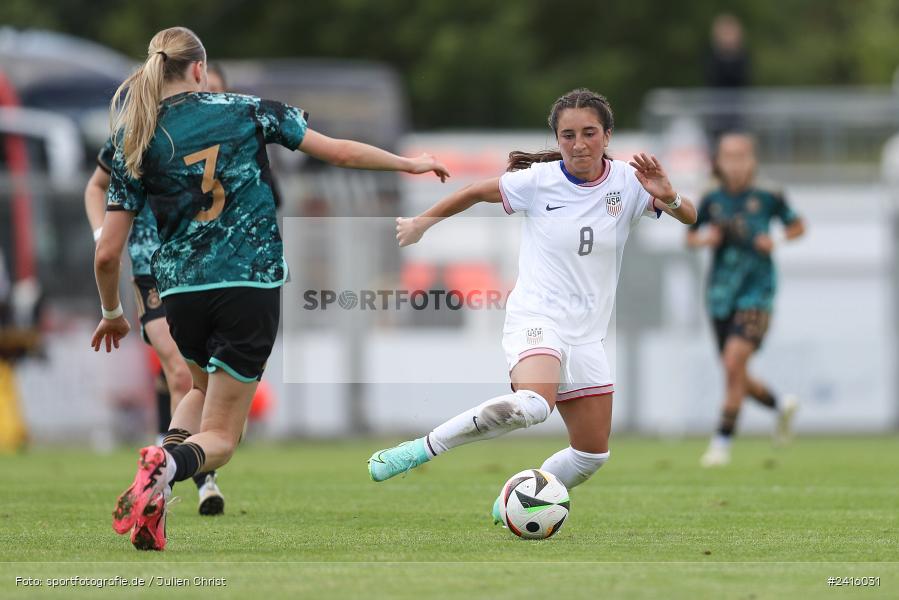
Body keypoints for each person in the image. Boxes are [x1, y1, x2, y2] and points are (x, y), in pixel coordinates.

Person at [91, 26, 449, 551]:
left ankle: (157, 478)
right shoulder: (245, 109)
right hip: (247, 283)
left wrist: (111, 311)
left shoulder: (135, 138)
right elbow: (341, 154)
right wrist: (408, 163)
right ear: (198, 70)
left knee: (197, 390)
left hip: (180, 293)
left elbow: (106, 252)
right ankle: (166, 463)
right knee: (222, 439)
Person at [366, 89, 697, 525]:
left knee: (591, 455)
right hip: (537, 317)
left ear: (607, 135)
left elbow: (690, 216)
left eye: (589, 133)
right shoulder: (538, 181)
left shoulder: (628, 182)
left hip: (587, 333)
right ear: (557, 139)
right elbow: (474, 192)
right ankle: (420, 449)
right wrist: (420, 224)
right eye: (568, 135)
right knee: (534, 405)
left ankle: (511, 500)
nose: (579, 144)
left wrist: (669, 196)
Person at [85, 97, 224, 518]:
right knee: (181, 371)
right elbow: (96, 185)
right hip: (151, 267)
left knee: (196, 378)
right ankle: (194, 480)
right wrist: (102, 235)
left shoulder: (219, 128)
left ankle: (163, 470)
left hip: (204, 268)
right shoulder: (135, 133)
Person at [686, 132, 805, 467]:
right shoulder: (710, 196)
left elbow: (798, 226)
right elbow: (690, 235)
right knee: (735, 369)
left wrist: (777, 239)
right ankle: (779, 406)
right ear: (719, 160)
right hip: (720, 295)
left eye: (741, 156)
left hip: (757, 292)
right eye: (728, 156)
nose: (735, 163)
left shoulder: (769, 194)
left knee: (734, 363)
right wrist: (705, 238)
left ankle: (721, 441)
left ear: (752, 159)